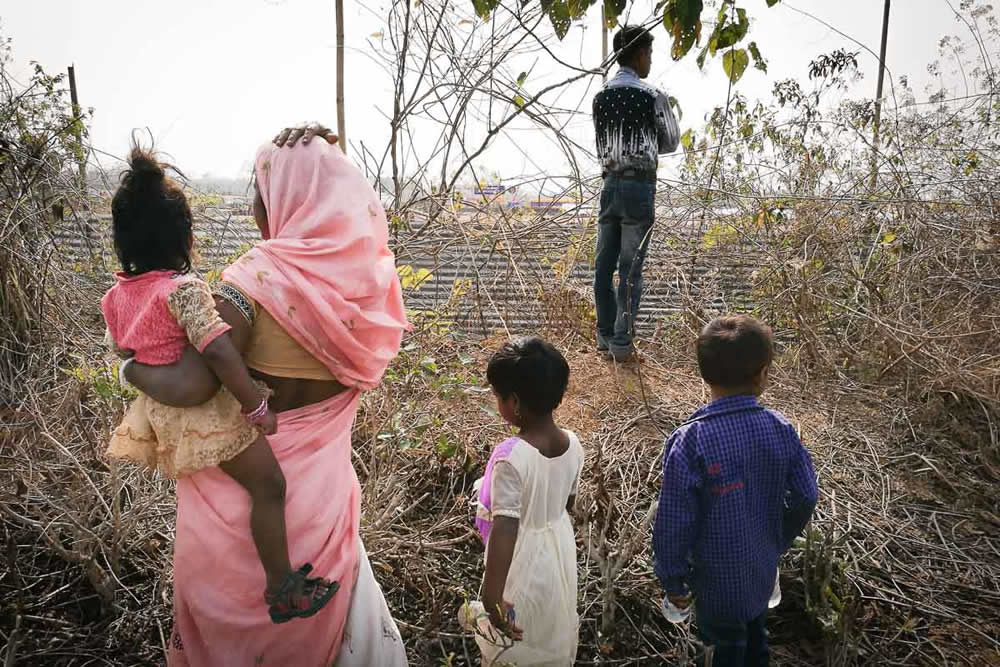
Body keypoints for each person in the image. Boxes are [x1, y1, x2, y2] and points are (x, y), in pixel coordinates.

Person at [119, 125, 410, 666]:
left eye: (261, 189)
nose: (256, 204)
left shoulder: (253, 281)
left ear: (284, 198)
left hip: (236, 513)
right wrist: (321, 154)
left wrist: (130, 371)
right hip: (319, 508)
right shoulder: (370, 292)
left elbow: (199, 381)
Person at [102, 144, 338, 624]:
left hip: (161, 417)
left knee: (256, 489)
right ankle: (282, 588)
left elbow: (121, 350)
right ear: (185, 237)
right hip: (204, 417)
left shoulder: (114, 296)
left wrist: (140, 370)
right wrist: (256, 409)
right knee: (269, 486)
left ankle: (278, 585)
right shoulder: (184, 291)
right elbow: (217, 352)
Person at [652, 315, 819, 666]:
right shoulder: (780, 428)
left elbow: (673, 522)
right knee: (756, 640)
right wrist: (776, 539)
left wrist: (674, 580)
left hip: (714, 585)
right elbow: (806, 495)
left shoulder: (690, 441)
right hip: (760, 573)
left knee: (719, 651)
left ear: (703, 372)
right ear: (762, 373)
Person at [459, 337, 584, 666]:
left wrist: (492, 599)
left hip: (522, 559)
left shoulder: (510, 459)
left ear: (513, 402)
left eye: (497, 396)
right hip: (558, 547)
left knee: (514, 635)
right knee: (548, 624)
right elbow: (567, 503)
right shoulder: (573, 444)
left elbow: (505, 530)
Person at [592, 25, 680, 362]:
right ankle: (622, 344)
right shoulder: (651, 95)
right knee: (630, 270)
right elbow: (670, 142)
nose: (651, 61)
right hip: (640, 186)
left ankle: (603, 335)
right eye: (650, 54)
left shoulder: (601, 96)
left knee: (603, 265)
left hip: (609, 185)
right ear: (641, 54)